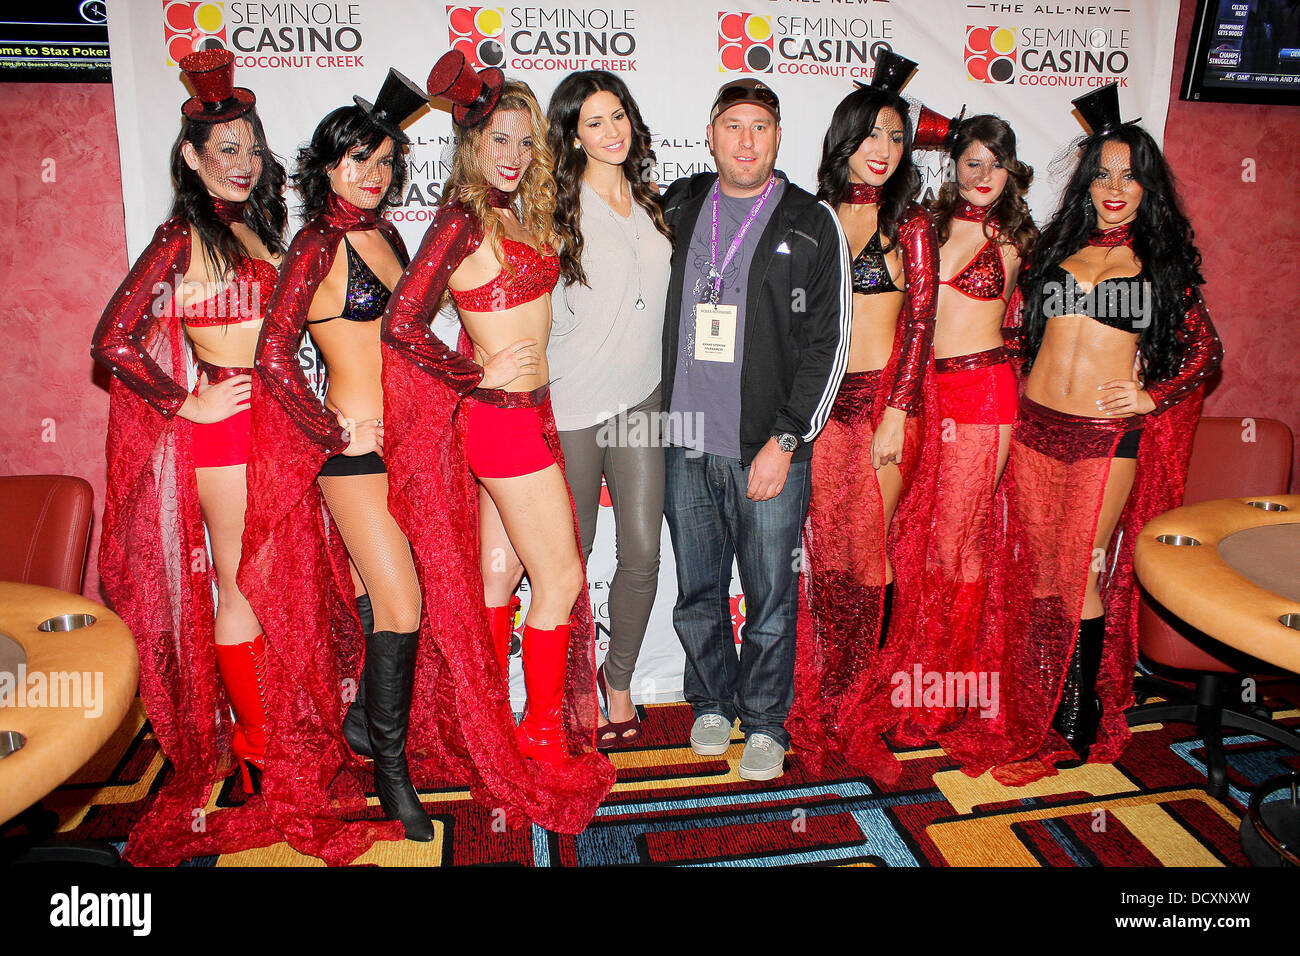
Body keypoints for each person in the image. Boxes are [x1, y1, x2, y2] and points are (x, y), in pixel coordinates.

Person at [940, 83, 1223, 785]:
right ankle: (1035, 697)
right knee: (1038, 574)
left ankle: (1075, 717)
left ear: (1145, 186)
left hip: (1104, 437)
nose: (1115, 186)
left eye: (1129, 175)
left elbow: (1203, 353)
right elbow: (1012, 326)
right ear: (1088, 183)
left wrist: (1151, 395)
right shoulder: (1057, 247)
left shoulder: (1158, 263)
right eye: (1103, 172)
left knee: (1080, 573)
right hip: (1036, 429)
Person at [379, 51, 614, 832]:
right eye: (498, 141)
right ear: (471, 145)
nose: (511, 156)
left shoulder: (519, 214)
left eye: (523, 142)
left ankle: (481, 732)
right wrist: (469, 374)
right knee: (564, 582)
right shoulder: (461, 219)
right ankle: (539, 736)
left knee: (496, 584)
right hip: (502, 421)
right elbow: (403, 322)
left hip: (527, 413)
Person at [91, 49, 286, 864]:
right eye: (224, 151)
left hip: (280, 427)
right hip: (228, 433)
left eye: (251, 148)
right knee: (242, 583)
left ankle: (279, 729)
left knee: (281, 585)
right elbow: (113, 339)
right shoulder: (180, 237)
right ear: (191, 157)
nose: (242, 165)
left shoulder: (255, 227)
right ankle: (254, 752)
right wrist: (188, 400)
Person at [241, 69, 439, 845]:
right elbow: (273, 356)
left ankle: (364, 726)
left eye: (386, 162)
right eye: (359, 160)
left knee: (375, 595)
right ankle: (390, 768)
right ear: (325, 164)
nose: (374, 175)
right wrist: (327, 430)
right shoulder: (318, 245)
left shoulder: (384, 236)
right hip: (351, 459)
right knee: (402, 605)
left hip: (405, 450)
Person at [660, 76, 851, 782]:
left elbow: (827, 345)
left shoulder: (809, 220)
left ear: (777, 136)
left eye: (759, 127)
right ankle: (712, 701)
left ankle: (767, 720)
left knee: (769, 599)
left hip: (767, 447)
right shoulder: (678, 205)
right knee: (697, 591)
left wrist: (788, 438)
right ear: (710, 134)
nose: (745, 140)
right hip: (684, 440)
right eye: (732, 125)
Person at [787, 53, 943, 776]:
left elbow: (920, 324)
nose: (883, 149)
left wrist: (899, 411)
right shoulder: (811, 215)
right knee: (825, 559)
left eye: (895, 136)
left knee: (868, 560)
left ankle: (858, 702)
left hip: (882, 405)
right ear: (844, 139)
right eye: (871, 134)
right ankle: (821, 695)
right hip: (819, 413)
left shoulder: (909, 222)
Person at [545, 70, 672, 749]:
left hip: (643, 400)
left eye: (618, 115)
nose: (612, 131)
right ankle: (570, 691)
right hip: (571, 402)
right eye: (594, 121)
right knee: (572, 558)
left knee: (644, 551)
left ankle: (616, 684)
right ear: (572, 134)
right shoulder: (553, 210)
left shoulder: (654, 202)